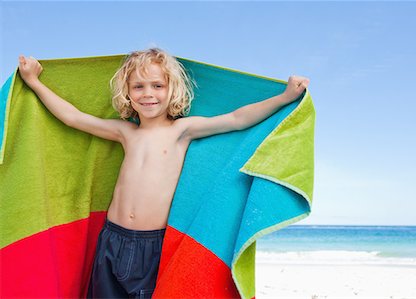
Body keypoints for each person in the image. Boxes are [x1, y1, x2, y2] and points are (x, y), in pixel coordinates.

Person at [18, 48, 310, 298]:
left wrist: (284, 98)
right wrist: (33, 81)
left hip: (151, 246)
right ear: (127, 93)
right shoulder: (125, 132)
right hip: (110, 239)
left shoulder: (181, 131)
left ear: (172, 90)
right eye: (138, 87)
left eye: (157, 86)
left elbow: (236, 119)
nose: (148, 94)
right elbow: (73, 117)